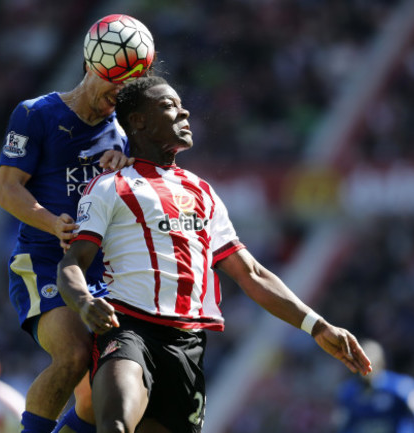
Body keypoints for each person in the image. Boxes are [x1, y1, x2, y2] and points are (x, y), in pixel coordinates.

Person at [56, 76, 373, 433]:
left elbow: (251, 273)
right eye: (168, 106)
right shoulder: (110, 186)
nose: (184, 111)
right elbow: (72, 262)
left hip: (188, 345)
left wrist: (317, 326)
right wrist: (84, 302)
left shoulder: (202, 191)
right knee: (115, 424)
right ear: (139, 121)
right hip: (129, 330)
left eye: (181, 104)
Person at [0, 16, 146, 433]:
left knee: (101, 393)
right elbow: (8, 191)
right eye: (114, 85)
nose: (118, 97)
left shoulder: (124, 138)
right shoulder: (35, 115)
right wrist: (53, 224)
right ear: (92, 65)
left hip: (101, 274)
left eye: (127, 91)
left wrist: (130, 169)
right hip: (43, 262)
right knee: (75, 354)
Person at [335, 339, 414, 433]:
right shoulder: (349, 392)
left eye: (368, 362)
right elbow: (344, 425)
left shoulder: (401, 386)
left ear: (381, 363)